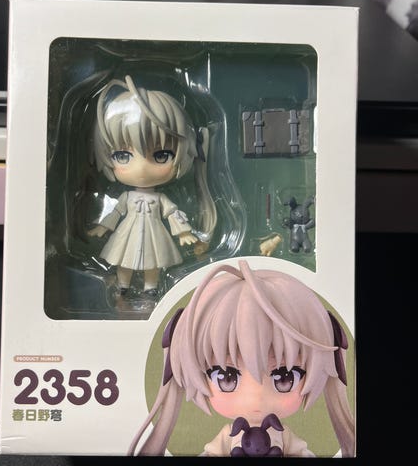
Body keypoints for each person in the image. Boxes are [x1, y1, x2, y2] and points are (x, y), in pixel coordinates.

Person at [128, 260, 355, 456]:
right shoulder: (229, 436)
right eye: (226, 377)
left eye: (284, 377)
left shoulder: (282, 436)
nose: (256, 399)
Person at [89, 75, 216, 295]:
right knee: (124, 258)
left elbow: (172, 213)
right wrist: (103, 226)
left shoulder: (160, 199)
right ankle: (123, 285)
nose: (141, 168)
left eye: (161, 155)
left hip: (154, 233)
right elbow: (116, 212)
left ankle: (151, 287)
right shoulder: (127, 198)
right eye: (122, 155)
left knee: (154, 261)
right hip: (128, 232)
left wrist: (183, 232)